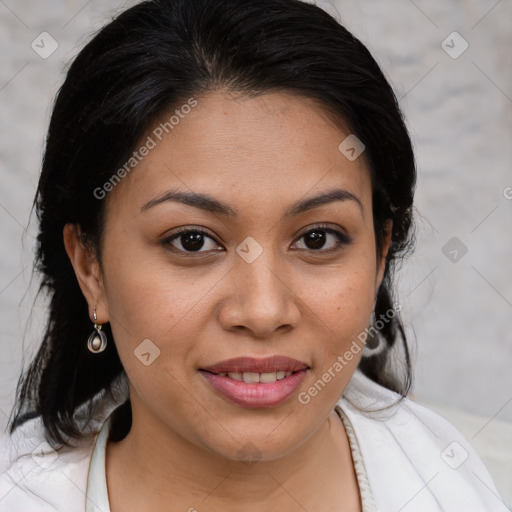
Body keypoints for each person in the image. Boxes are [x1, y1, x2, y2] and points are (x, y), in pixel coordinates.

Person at [0, 0, 508, 511]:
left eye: (317, 239)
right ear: (91, 269)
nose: (264, 311)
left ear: (378, 255)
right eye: (192, 241)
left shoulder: (476, 483)